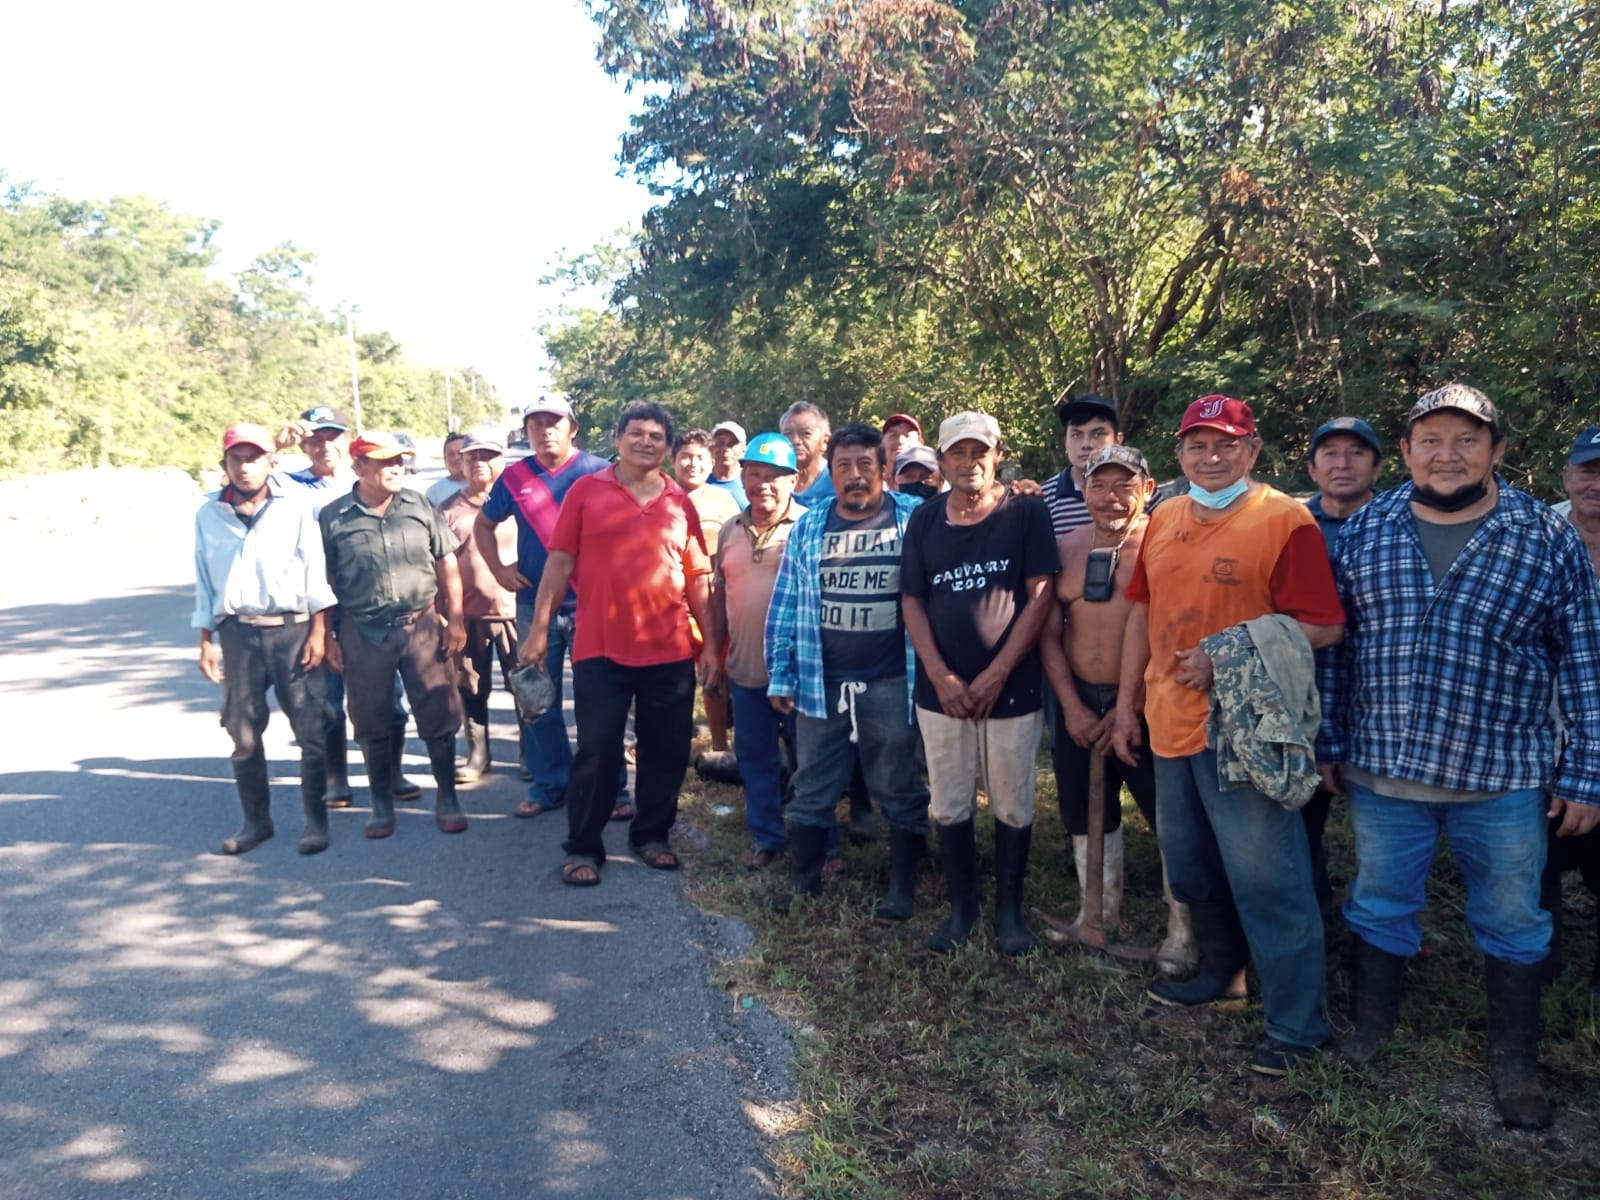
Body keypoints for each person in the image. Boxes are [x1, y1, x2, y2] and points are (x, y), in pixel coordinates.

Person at [1318, 385, 1600, 1129]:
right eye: (1431, 441)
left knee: (1514, 917)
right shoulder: (1370, 530)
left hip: (1502, 777)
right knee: (1380, 903)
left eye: (1467, 441)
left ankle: (1514, 1064)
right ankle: (1369, 1036)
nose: (1448, 456)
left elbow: (1585, 663)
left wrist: (1588, 771)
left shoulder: (1545, 538)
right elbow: (1340, 652)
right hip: (1385, 770)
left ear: (1497, 451)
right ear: (1406, 453)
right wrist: (1330, 743)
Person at [1111, 394, 1344, 1076]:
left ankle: (1300, 1026)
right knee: (1189, 869)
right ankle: (1223, 976)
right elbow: (1139, 615)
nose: (1211, 457)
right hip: (1169, 723)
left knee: (1268, 878)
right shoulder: (1166, 517)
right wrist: (1127, 704)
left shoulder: (1284, 520)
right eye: (1197, 445)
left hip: (1246, 729)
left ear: (1253, 450)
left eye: (1226, 445)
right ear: (1179, 455)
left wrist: (1229, 653)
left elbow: (1324, 626)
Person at [519, 401, 716, 885]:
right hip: (599, 647)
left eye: (657, 436)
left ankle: (651, 836)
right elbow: (559, 564)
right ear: (617, 438)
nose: (646, 441)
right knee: (598, 750)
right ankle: (584, 847)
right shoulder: (586, 492)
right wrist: (539, 630)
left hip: (669, 650)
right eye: (637, 433)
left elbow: (698, 581)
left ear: (668, 449)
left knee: (664, 750)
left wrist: (712, 645)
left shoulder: (679, 503)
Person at [901, 412, 1059, 954]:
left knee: (1013, 801)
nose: (969, 463)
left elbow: (1041, 594)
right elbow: (912, 601)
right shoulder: (924, 520)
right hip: (940, 692)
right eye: (957, 454)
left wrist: (996, 673)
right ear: (941, 460)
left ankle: (1009, 913)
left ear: (997, 455)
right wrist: (941, 675)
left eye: (979, 453)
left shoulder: (1025, 511)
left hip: (1011, 686)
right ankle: (960, 909)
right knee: (949, 801)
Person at [765, 422, 930, 915]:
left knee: (897, 783)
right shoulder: (810, 526)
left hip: (893, 680)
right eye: (843, 467)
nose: (855, 476)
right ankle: (804, 882)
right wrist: (781, 672)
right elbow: (786, 604)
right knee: (812, 783)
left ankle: (902, 889)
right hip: (821, 681)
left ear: (884, 470)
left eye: (865, 465)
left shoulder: (916, 518)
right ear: (829, 473)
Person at [1041, 445, 1191, 971]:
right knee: (1085, 814)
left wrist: (1131, 704)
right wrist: (1072, 706)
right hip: (1079, 699)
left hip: (1151, 704)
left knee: (1171, 816)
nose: (1111, 496)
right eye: (1099, 485)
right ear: (1083, 492)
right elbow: (1047, 633)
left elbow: (1170, 628)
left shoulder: (1167, 543)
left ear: (1148, 490)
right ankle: (1096, 914)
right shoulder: (1064, 547)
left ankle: (1182, 932)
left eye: (1124, 484)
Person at [193, 424, 337, 856]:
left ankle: (316, 822)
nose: (244, 467)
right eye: (236, 459)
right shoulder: (208, 514)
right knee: (243, 733)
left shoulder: (294, 509)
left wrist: (319, 633)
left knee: (310, 730)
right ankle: (256, 821)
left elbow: (315, 572)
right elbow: (203, 579)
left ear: (271, 464)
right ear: (225, 466)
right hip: (238, 635)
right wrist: (205, 640)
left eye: (253, 458)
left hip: (291, 631)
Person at [474, 394, 619, 819]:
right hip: (532, 605)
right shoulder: (515, 477)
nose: (545, 430)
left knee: (600, 701)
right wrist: (499, 571)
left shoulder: (599, 471)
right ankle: (549, 782)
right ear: (526, 431)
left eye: (554, 421)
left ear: (573, 427)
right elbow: (485, 525)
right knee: (536, 699)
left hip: (591, 604)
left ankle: (613, 788)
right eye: (536, 423)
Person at [274, 405, 424, 807]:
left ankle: (392, 772)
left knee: (387, 698)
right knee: (328, 700)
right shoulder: (287, 484)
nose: (325, 446)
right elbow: (231, 489)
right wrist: (274, 446)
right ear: (304, 444)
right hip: (317, 605)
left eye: (333, 437)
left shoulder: (365, 477)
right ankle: (336, 778)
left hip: (369, 606)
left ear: (346, 442)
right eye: (316, 439)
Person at [320, 432, 469, 838]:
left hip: (420, 624)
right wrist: (328, 636)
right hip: (362, 630)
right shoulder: (334, 516)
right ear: (359, 467)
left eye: (399, 460)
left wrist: (454, 619)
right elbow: (325, 582)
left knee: (439, 713)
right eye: (384, 462)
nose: (395, 468)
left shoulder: (418, 504)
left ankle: (447, 798)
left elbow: (447, 564)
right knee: (371, 717)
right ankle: (381, 804)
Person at [706, 433, 807, 868]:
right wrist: (712, 650)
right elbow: (718, 594)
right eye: (754, 475)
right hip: (746, 668)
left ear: (793, 480)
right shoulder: (731, 528)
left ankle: (822, 842)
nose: (762, 484)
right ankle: (767, 836)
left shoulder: (810, 524)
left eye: (773, 476)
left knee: (811, 761)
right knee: (755, 757)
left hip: (802, 671)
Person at [1300, 416, 1384, 910]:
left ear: (1377, 464)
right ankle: (1316, 921)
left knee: (1382, 838)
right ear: (1312, 468)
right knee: (1302, 825)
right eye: (1330, 453)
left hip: (1381, 703)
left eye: (1356, 452)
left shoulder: (1401, 526)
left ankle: (1377, 934)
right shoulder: (1289, 525)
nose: (1342, 463)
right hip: (1310, 700)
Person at [437, 432, 519, 783]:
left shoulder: (518, 502)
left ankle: (531, 755)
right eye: (472, 458)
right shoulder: (447, 509)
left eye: (488, 456)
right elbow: (439, 564)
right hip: (467, 615)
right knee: (471, 687)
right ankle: (478, 754)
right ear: (462, 463)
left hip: (515, 611)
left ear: (502, 462)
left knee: (525, 686)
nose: (479, 463)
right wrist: (445, 616)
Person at [674, 429, 743, 766]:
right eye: (685, 456)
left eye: (700, 457)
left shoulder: (723, 501)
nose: (692, 463)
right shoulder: (661, 496)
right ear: (673, 460)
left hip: (714, 600)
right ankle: (667, 743)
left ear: (711, 462)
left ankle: (719, 744)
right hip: (670, 603)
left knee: (715, 673)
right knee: (670, 681)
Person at [1041, 393, 1124, 538]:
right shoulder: (1044, 498)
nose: (1086, 444)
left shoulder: (1137, 492)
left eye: (1098, 434)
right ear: (1064, 441)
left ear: (1117, 440)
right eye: (1076, 435)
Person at [780, 401, 834, 502]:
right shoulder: (773, 481)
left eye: (805, 433)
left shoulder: (836, 481)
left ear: (825, 441)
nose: (795, 441)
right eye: (788, 434)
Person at [708, 421, 750, 507]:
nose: (725, 448)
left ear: (743, 449)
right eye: (720, 443)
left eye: (732, 444)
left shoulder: (751, 483)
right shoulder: (700, 482)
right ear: (711, 448)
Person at [425, 432, 469, 507]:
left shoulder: (486, 485)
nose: (456, 458)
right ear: (445, 460)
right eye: (451, 454)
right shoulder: (433, 493)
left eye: (461, 453)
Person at [881, 413, 923, 483]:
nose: (900, 441)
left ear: (920, 443)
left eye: (907, 436)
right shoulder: (870, 487)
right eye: (893, 435)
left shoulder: (932, 487)